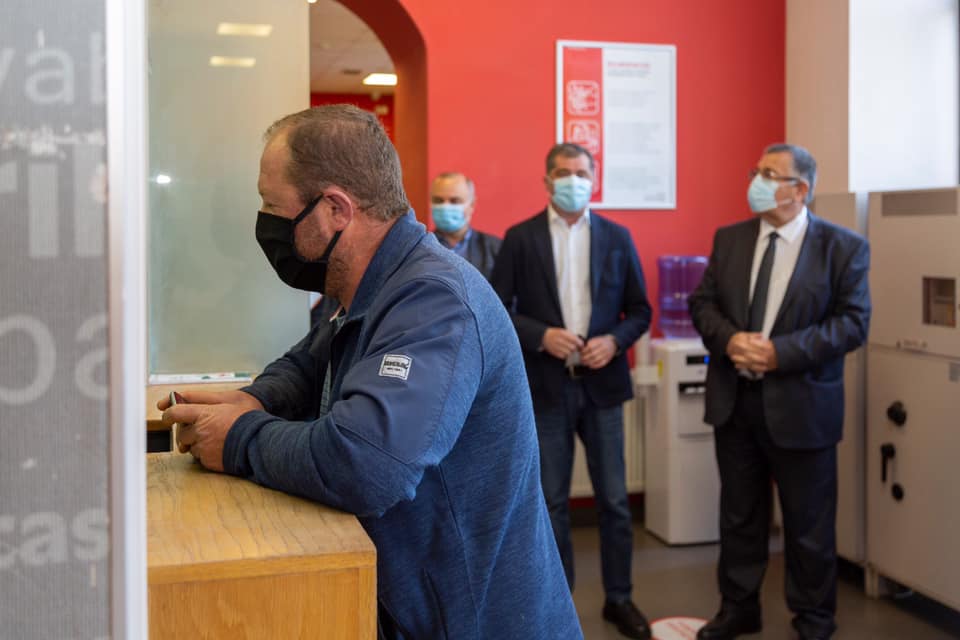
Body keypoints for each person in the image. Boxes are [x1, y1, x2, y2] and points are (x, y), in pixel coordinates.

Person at [160, 105, 582, 640]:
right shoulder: (373, 282)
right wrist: (256, 400)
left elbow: (365, 464)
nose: (265, 222)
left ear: (335, 209)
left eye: (272, 206)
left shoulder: (434, 300)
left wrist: (240, 438)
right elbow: (309, 362)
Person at [688, 143, 870, 640]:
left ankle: (813, 618)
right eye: (757, 171)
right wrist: (730, 340)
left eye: (770, 174)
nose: (757, 181)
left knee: (808, 524)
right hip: (736, 403)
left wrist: (779, 353)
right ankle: (738, 608)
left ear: (800, 189)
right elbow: (702, 303)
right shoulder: (731, 238)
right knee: (739, 517)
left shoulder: (843, 247)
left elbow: (853, 324)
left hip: (803, 407)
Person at [491, 142, 653, 640]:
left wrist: (614, 340)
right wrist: (541, 335)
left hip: (603, 387)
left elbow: (640, 311)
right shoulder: (520, 238)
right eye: (563, 172)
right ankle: (556, 604)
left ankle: (620, 598)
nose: (573, 181)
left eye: (582, 172)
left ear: (594, 178)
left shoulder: (618, 237)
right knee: (552, 504)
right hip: (547, 389)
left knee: (615, 502)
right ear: (547, 180)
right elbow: (498, 308)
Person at [430, 171, 501, 280]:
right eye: (438, 200)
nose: (445, 206)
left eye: (454, 201)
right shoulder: (418, 247)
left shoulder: (494, 248)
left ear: (472, 205)